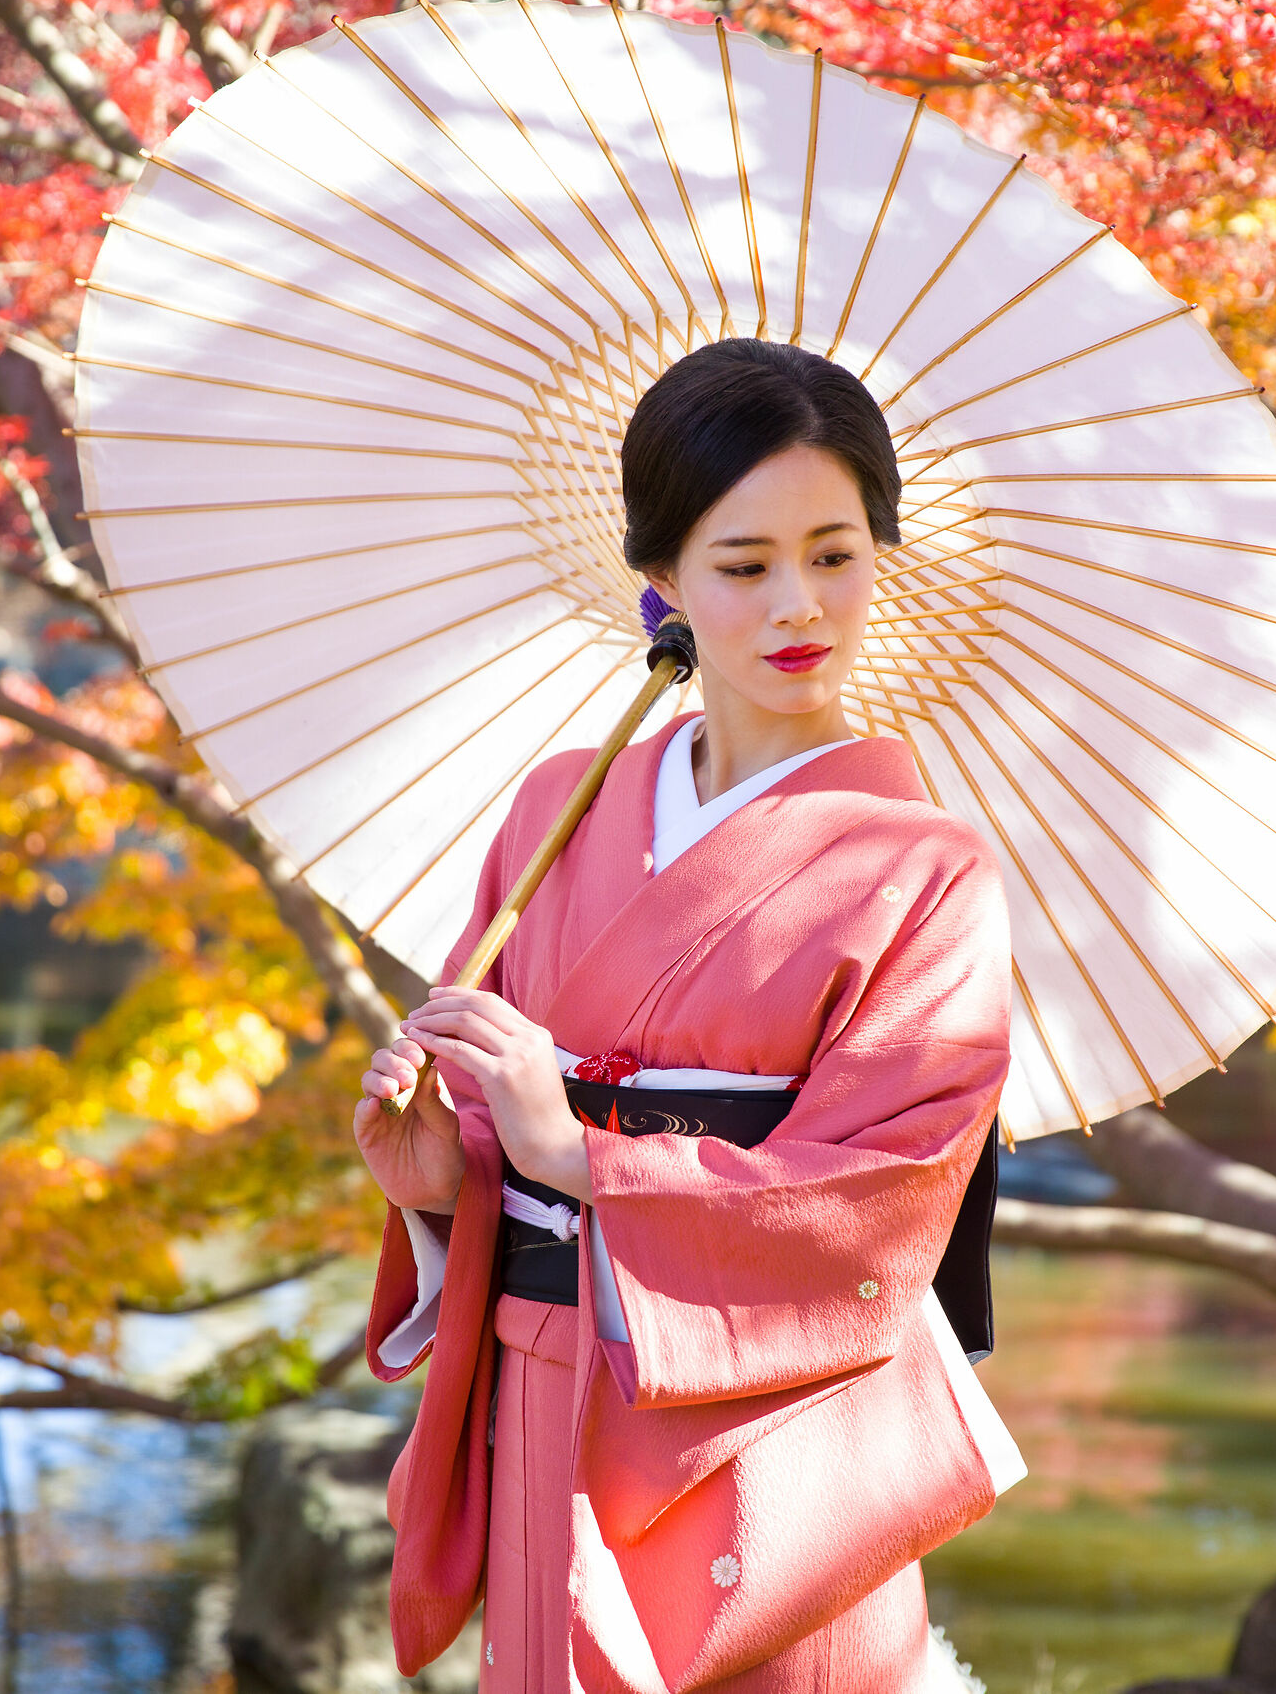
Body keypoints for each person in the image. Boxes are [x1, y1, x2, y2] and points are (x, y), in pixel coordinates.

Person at [351, 337, 1023, 1693]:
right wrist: (448, 1177)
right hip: (546, 1388)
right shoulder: (557, 811)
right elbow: (496, 1115)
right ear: (661, 580)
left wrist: (586, 1157)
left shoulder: (924, 865)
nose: (801, 604)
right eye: (746, 562)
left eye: (837, 554)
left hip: (773, 1428)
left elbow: (883, 1206)